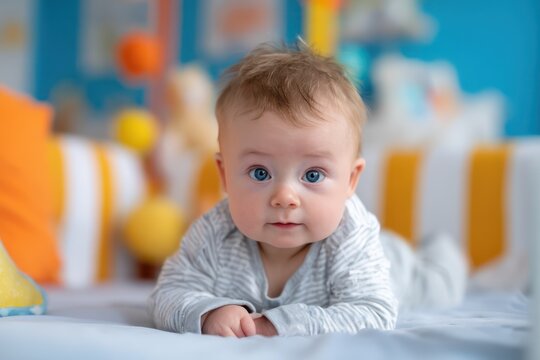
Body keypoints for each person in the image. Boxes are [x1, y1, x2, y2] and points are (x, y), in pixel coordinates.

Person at [148, 42, 467, 337]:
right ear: (225, 175)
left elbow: (373, 312)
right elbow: (168, 293)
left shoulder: (351, 236)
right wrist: (207, 313)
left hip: (395, 269)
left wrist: (276, 325)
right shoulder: (214, 235)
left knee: (440, 284)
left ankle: (443, 250)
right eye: (260, 172)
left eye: (313, 175)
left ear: (350, 181)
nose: (285, 197)